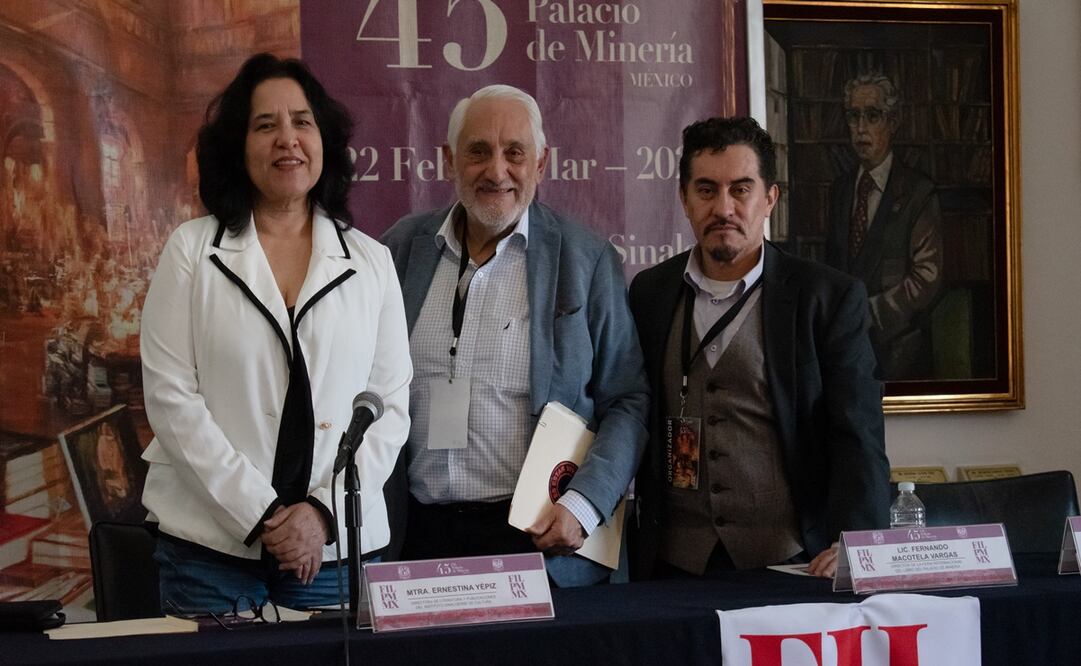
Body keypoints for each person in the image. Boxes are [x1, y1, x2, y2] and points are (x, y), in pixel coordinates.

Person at [140, 53, 412, 612]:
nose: (287, 139)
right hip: (209, 549)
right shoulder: (191, 251)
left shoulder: (372, 262)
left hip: (333, 549)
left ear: (323, 141)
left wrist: (320, 515)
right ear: (239, 148)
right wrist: (260, 514)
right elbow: (171, 399)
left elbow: (388, 410)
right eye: (265, 125)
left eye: (302, 122)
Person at [381, 84, 649, 586]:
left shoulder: (586, 259)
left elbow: (628, 400)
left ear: (541, 164)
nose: (496, 170)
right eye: (478, 152)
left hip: (541, 542)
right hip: (417, 539)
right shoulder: (398, 250)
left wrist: (584, 504)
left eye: (515, 153)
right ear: (449, 160)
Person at [628, 117, 889, 580]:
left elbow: (858, 431)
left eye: (741, 189)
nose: (723, 207)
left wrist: (859, 541)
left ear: (770, 198)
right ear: (684, 199)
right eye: (706, 190)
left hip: (792, 559)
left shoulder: (826, 297)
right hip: (672, 564)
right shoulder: (650, 293)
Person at [825, 73, 943, 380]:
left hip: (901, 353)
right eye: (853, 116)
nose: (861, 128)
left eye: (873, 115)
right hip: (845, 354)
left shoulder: (918, 192)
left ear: (893, 122)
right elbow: (832, 268)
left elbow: (926, 278)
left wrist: (867, 315)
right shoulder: (840, 190)